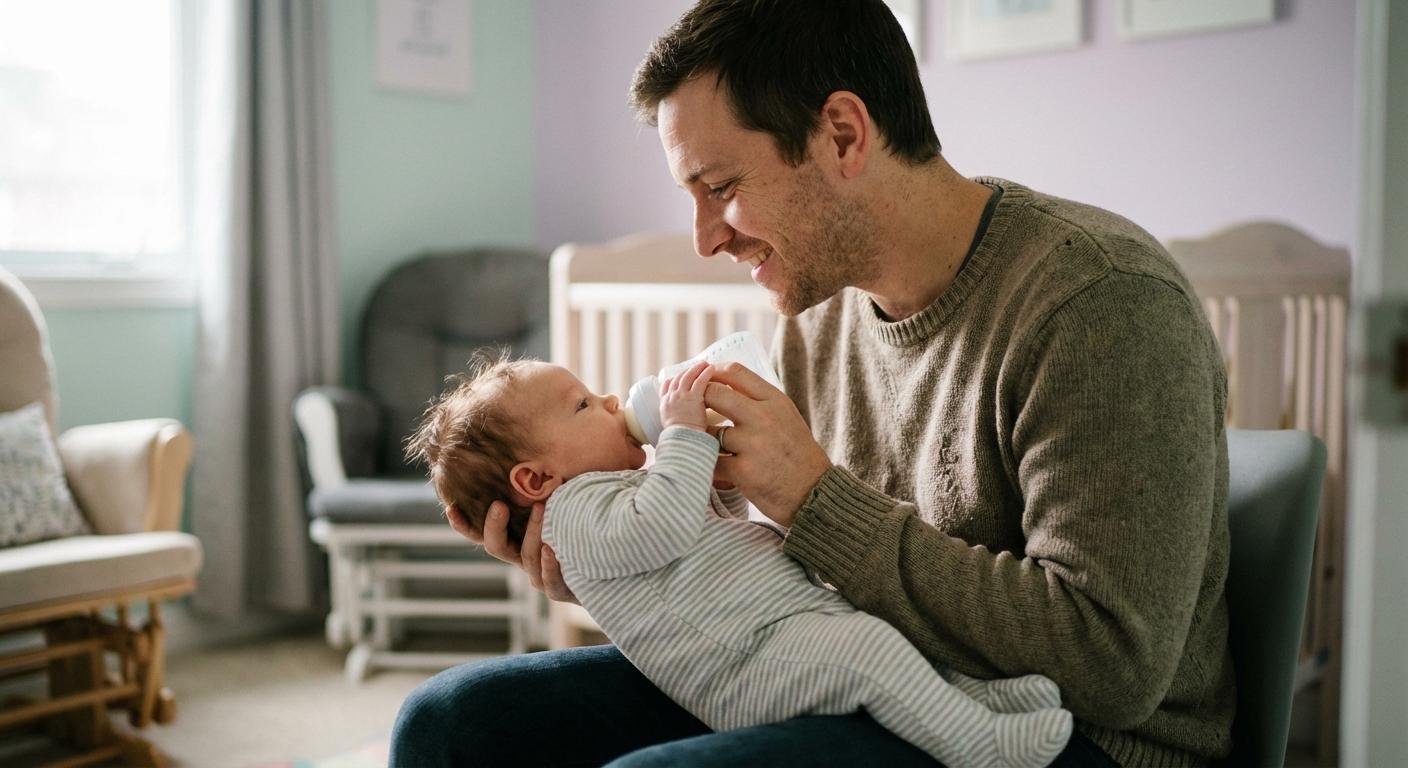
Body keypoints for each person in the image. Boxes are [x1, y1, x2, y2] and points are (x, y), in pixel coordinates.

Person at [391, 1, 1231, 766]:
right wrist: (616, 567)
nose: (705, 239)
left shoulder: (1099, 302)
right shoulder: (817, 313)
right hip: (847, 662)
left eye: (720, 189)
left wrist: (816, 500)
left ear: (840, 133)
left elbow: (1112, 666)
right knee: (448, 722)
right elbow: (782, 576)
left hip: (1060, 733)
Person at [405, 355, 1074, 768]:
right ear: (535, 480)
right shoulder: (577, 512)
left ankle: (977, 700)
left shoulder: (624, 490)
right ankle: (982, 749)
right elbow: (661, 531)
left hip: (780, 627)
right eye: (584, 405)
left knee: (884, 642)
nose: (612, 402)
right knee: (869, 656)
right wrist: (686, 441)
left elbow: (707, 529)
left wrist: (718, 481)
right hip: (749, 661)